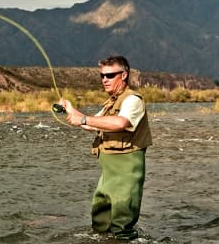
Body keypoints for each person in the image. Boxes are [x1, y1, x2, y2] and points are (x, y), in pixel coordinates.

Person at [59, 55, 152, 240]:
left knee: (121, 226)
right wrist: (70, 110)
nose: (104, 80)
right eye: (102, 76)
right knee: (100, 221)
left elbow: (120, 122)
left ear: (123, 75)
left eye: (109, 75)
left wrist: (84, 119)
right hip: (109, 174)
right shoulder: (111, 102)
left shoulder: (133, 100)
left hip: (126, 173)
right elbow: (91, 124)